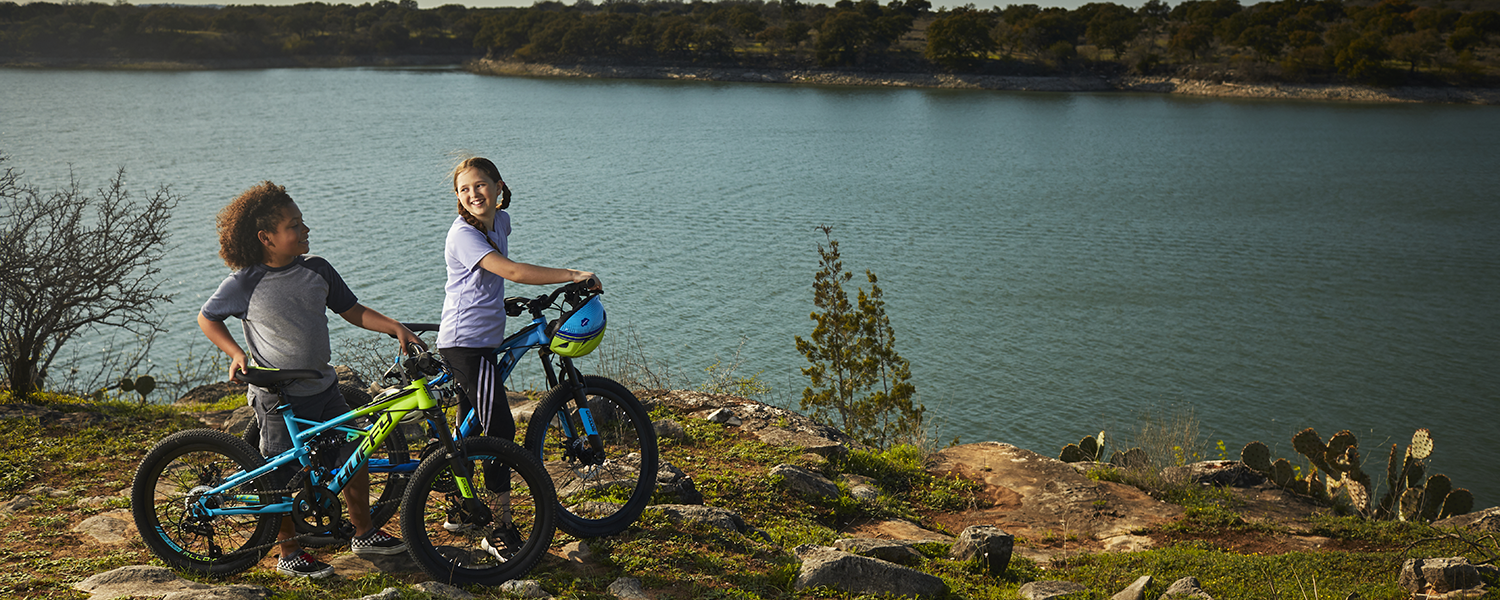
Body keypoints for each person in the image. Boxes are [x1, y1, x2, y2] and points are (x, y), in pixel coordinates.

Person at [198, 181, 426, 579]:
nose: (305, 230)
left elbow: (352, 310)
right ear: (266, 238)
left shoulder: (317, 269)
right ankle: (288, 550)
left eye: (302, 222)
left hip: (324, 386)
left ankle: (364, 532)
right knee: (281, 475)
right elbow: (208, 317)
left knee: (353, 455)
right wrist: (236, 353)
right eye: (294, 225)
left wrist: (395, 328)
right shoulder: (244, 282)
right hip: (278, 395)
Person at [438, 157, 598, 557]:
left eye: (480, 185)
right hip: (466, 344)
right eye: (464, 189)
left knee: (471, 429)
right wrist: (571, 273)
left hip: (482, 339)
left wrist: (501, 301)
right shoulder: (462, 235)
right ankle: (499, 528)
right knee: (500, 431)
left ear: (498, 186)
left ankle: (459, 507)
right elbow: (509, 269)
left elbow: (486, 280)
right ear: (457, 197)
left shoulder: (500, 222)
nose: (473, 194)